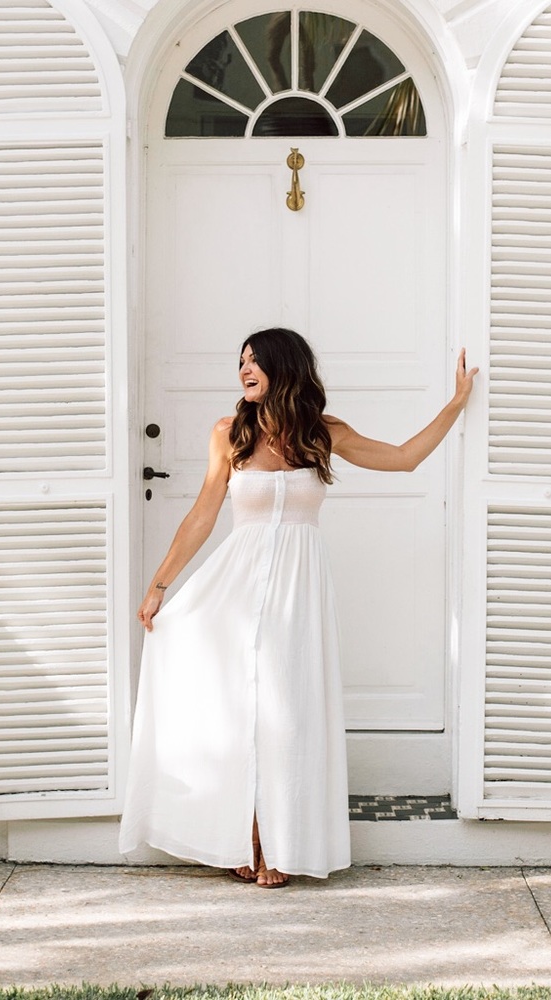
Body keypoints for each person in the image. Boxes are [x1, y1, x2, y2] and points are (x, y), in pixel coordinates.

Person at [118, 328, 478, 887]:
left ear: (284, 367)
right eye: (240, 360)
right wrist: (159, 585)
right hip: (237, 586)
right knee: (239, 712)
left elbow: (404, 458)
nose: (244, 369)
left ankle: (283, 842)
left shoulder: (322, 433)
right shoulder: (228, 432)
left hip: (298, 590)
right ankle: (247, 837)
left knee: (287, 715)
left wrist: (455, 403)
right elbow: (202, 516)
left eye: (255, 360)